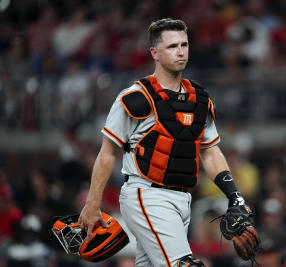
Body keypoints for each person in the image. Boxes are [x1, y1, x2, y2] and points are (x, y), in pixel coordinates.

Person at [78, 18, 258, 267]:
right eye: (172, 46)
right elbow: (107, 153)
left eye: (184, 44)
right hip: (146, 195)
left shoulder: (199, 98)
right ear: (155, 52)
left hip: (183, 200)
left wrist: (235, 197)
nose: (181, 51)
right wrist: (92, 204)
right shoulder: (136, 97)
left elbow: (210, 152)